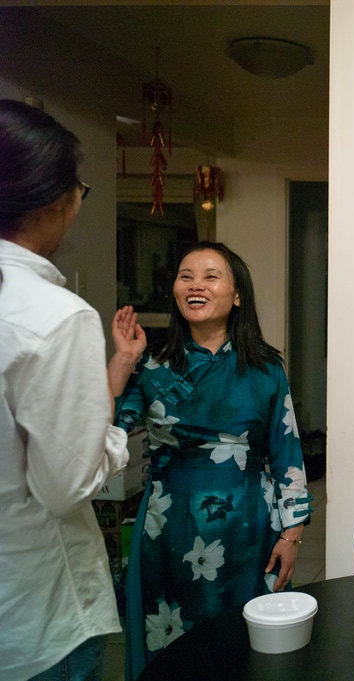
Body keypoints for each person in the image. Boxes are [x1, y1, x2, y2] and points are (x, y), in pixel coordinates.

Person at [107, 241, 313, 679]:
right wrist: (123, 360)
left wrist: (291, 534)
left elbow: (287, 453)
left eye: (210, 276)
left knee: (245, 650)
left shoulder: (265, 369)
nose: (195, 285)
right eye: (186, 276)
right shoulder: (153, 367)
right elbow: (102, 433)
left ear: (238, 295)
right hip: (168, 533)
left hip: (251, 533)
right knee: (172, 652)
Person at [0, 99, 129, 680]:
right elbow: (67, 484)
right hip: (36, 614)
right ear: (59, 200)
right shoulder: (53, 315)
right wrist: (116, 441)